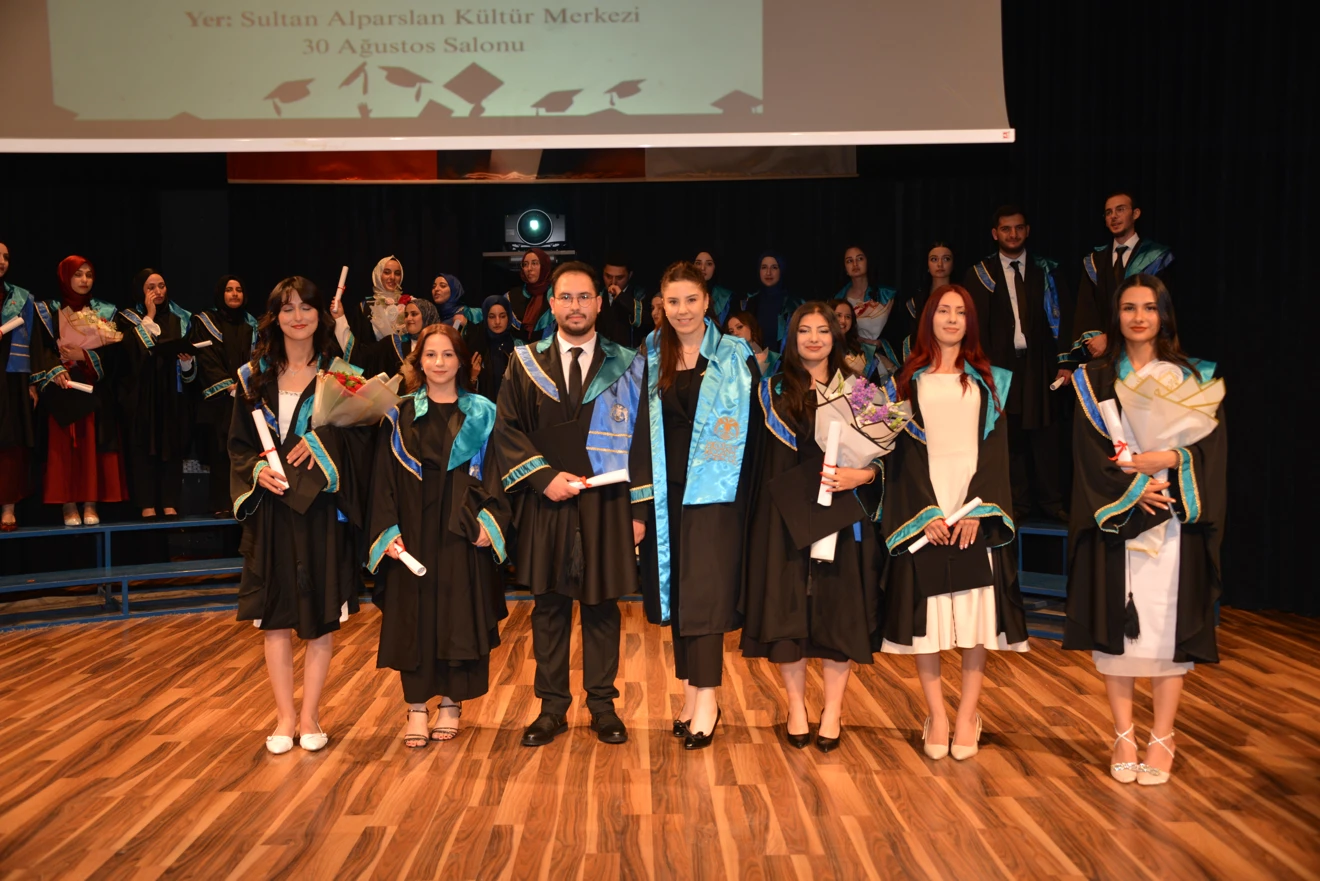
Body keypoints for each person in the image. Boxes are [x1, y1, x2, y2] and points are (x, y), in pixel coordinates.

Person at [1065, 275, 1224, 786]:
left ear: (1164, 315)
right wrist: (1134, 489)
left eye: (1149, 308)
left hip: (1173, 513)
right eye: (1129, 307)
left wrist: (1169, 460)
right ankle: (1123, 735)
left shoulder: (1190, 376)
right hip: (1119, 516)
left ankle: (1163, 736)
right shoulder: (1094, 378)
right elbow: (1087, 454)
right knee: (1119, 632)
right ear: (1116, 315)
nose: (1139, 317)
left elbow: (1210, 449)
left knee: (1164, 628)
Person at [493, 260, 652, 748]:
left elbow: (644, 440)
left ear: (600, 303)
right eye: (566, 297)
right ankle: (552, 708)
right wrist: (543, 478)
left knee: (603, 608)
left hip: (608, 503)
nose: (576, 306)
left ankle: (602, 706)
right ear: (552, 304)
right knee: (549, 607)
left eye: (585, 297)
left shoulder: (628, 364)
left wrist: (638, 512)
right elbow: (507, 429)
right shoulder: (525, 363)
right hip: (549, 501)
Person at [879, 284, 1028, 761]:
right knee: (930, 621)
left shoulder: (989, 380)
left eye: (960, 312)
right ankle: (937, 716)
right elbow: (900, 455)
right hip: (927, 507)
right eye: (943, 310)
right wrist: (924, 513)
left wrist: (978, 510)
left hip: (973, 505)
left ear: (970, 322)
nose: (951, 319)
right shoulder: (906, 382)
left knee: (973, 617)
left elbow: (997, 451)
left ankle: (967, 715)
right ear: (929, 319)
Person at [229, 276, 373, 755]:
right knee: (274, 617)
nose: (298, 316)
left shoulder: (341, 375)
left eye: (306, 307)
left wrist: (323, 443)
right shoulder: (252, 377)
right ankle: (284, 717)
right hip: (272, 509)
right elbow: (237, 445)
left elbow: (362, 440)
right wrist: (256, 471)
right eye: (287, 308)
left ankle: (310, 715)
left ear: (320, 314)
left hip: (320, 510)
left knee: (320, 616)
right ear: (275, 317)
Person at [741, 302, 884, 753]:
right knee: (788, 614)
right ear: (792, 337)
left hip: (841, 515)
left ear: (835, 337)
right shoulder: (771, 390)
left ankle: (834, 711)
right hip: (784, 516)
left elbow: (886, 457)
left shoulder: (860, 391)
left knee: (838, 613)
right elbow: (756, 462)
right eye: (805, 330)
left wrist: (863, 475)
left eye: (823, 330)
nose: (815, 338)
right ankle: (797, 707)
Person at [368, 323, 511, 748]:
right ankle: (416, 707)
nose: (439, 362)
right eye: (431, 354)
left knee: (457, 613)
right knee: (413, 616)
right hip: (412, 528)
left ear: (462, 360)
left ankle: (451, 703)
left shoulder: (483, 413)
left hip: (462, 527)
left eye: (448, 354)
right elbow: (382, 477)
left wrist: (491, 522)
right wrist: (386, 531)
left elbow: (498, 472)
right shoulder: (399, 414)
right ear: (419, 362)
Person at [639, 261, 758, 750]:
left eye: (691, 300)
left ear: (707, 302)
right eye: (673, 301)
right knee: (679, 596)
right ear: (662, 305)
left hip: (717, 495)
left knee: (705, 597)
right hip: (666, 494)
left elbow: (754, 435)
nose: (683, 310)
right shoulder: (650, 353)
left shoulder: (734, 355)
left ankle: (707, 700)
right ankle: (690, 694)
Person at [963, 206, 1069, 522]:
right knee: (1011, 439)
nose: (1013, 234)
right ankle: (1017, 504)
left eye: (1019, 228)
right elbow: (973, 326)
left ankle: (1052, 503)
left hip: (1040, 364)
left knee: (1046, 435)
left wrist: (1066, 361)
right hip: (1000, 367)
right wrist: (980, 369)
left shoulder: (1047, 270)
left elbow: (1065, 316)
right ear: (995, 234)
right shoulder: (980, 273)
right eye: (1006, 229)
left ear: (1027, 230)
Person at [30, 256, 128, 527]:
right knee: (64, 449)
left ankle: (91, 502)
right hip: (61, 390)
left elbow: (116, 357)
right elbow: (40, 347)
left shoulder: (103, 312)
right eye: (78, 274)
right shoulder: (49, 311)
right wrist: (55, 369)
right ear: (65, 277)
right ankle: (68, 503)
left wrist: (83, 356)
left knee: (91, 447)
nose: (84, 280)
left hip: (93, 390)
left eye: (89, 275)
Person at [116, 269, 197, 518]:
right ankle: (147, 503)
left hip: (171, 393)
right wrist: (149, 317)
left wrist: (187, 362)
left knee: (171, 445)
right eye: (151, 288)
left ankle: (169, 501)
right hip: (142, 394)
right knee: (143, 447)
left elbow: (191, 371)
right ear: (140, 290)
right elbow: (130, 355)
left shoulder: (180, 319)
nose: (158, 292)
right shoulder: (127, 319)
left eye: (161, 286)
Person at [1064, 191, 1175, 365]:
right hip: (1102, 355)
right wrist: (1098, 339)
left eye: (1120, 210)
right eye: (1109, 212)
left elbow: (1161, 309)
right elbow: (1086, 309)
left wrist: (1112, 338)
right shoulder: (1094, 260)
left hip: (1145, 352)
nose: (1114, 216)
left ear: (1135, 214)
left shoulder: (1156, 258)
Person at [192, 275, 260, 517]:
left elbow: (259, 360)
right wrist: (229, 386)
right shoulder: (206, 322)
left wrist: (248, 386)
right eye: (229, 290)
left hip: (247, 399)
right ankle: (221, 504)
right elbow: (206, 358)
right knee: (220, 453)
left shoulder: (253, 326)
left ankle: (246, 502)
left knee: (246, 451)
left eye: (239, 289)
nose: (234, 294)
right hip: (219, 400)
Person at [0, 243, 35, 530]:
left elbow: (33, 341)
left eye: (6, 257)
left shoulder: (20, 297)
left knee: (10, 442)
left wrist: (32, 383)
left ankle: (8, 508)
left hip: (11, 376)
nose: (2, 261)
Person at [834, 244, 903, 366]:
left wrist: (881, 343)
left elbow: (899, 332)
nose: (855, 264)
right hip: (850, 360)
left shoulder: (887, 296)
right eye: (849, 261)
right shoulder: (838, 300)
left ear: (868, 261)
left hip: (884, 360)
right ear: (845, 267)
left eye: (860, 259)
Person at [740, 252, 801, 352]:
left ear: (781, 270)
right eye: (764, 267)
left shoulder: (793, 304)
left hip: (785, 359)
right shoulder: (750, 302)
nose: (768, 273)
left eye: (774, 267)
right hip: (753, 358)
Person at [464, 295, 515, 403]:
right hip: (484, 409)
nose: (497, 322)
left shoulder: (518, 346)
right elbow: (463, 392)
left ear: (509, 317)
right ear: (485, 318)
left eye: (502, 316)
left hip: (512, 409)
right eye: (492, 317)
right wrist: (473, 377)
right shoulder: (475, 346)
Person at [506, 248, 555, 342]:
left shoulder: (556, 295)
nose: (529, 268)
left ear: (544, 266)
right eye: (525, 264)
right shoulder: (512, 296)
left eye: (534, 263)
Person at [597, 254, 646, 348]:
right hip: (600, 352)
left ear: (630, 275)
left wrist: (621, 297)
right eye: (608, 276)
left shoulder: (639, 295)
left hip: (628, 354)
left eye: (619, 278)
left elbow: (646, 321)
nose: (613, 282)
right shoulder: (597, 294)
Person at [726, 310, 778, 374]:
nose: (735, 333)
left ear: (751, 327)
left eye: (739, 327)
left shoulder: (773, 358)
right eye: (731, 331)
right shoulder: (730, 361)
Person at [831, 300, 874, 377]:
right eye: (838, 315)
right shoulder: (823, 347)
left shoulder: (855, 346)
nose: (843, 320)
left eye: (848, 317)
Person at [694, 251, 737, 325]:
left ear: (715, 267)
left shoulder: (726, 297)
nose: (702, 268)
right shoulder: (683, 292)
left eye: (709, 264)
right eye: (698, 263)